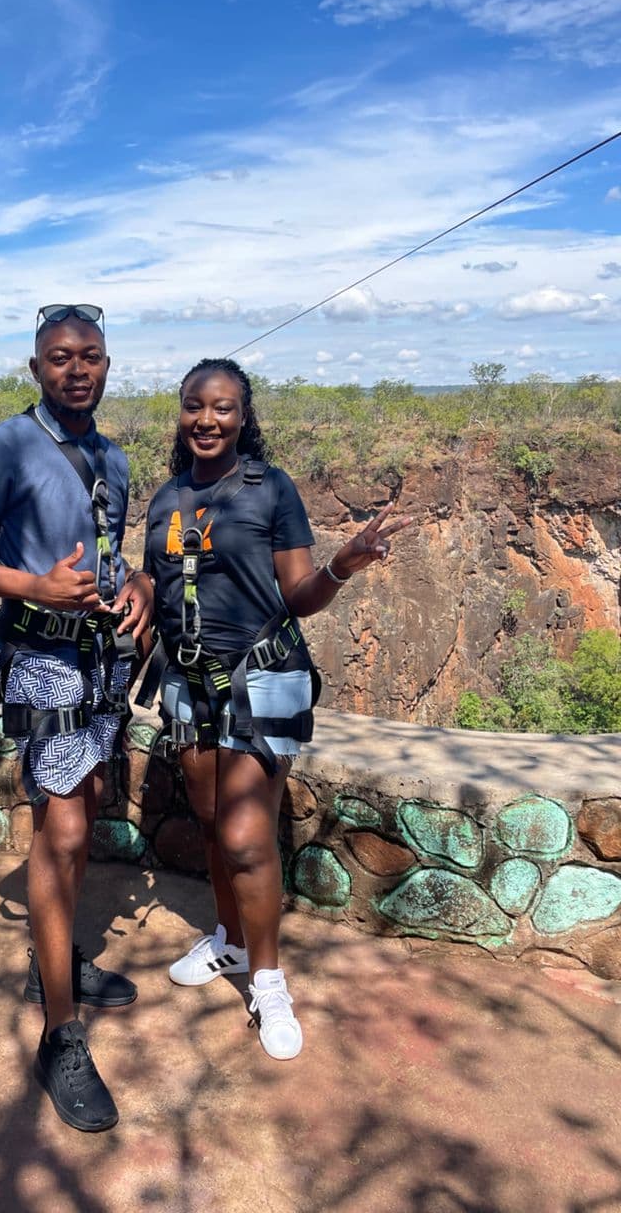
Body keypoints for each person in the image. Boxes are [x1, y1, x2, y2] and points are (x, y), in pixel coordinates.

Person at [142, 358, 410, 1061]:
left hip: (262, 677)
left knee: (243, 837)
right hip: (189, 682)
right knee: (210, 822)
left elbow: (297, 595)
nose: (207, 419)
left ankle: (268, 981)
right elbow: (156, 589)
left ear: (243, 417)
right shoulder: (166, 499)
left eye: (223, 408)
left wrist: (343, 565)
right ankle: (230, 943)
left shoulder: (271, 489)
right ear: (180, 412)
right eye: (195, 406)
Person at [0, 304, 153, 1132]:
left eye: (90, 356)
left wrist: (136, 585)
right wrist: (36, 588)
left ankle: (52, 964)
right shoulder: (6, 444)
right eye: (60, 357)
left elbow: (106, 554)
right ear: (37, 369)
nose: (77, 369)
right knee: (60, 830)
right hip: (39, 657)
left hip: (102, 662)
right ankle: (61, 1034)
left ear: (106, 365)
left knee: (86, 809)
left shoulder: (113, 458)